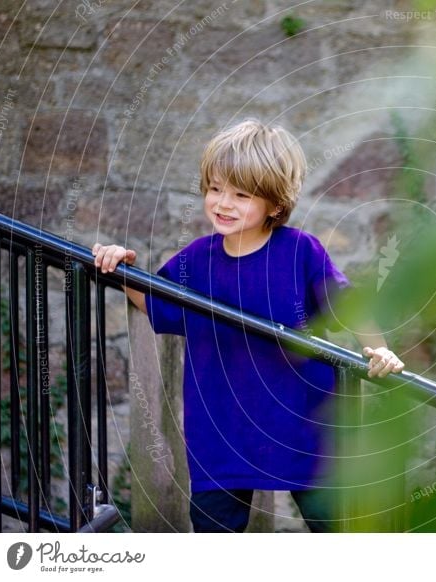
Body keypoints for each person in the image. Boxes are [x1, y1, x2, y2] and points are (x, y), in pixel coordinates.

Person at [92, 119, 404, 532]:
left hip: (303, 426)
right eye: (216, 188)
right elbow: (155, 303)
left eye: (241, 194)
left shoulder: (300, 251)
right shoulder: (195, 261)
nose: (223, 202)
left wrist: (379, 349)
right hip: (221, 430)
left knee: (335, 532)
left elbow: (347, 303)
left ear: (274, 205)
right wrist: (119, 268)